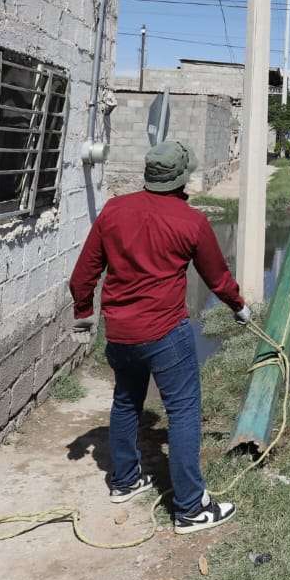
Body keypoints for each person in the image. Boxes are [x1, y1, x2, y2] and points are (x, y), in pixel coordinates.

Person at [68, 140, 250, 534]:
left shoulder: (114, 210)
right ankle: (189, 509)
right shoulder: (191, 221)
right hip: (166, 332)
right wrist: (238, 307)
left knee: (126, 401)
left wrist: (84, 315)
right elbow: (217, 277)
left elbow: (82, 275)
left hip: (120, 332)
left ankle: (125, 480)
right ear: (183, 178)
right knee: (183, 411)